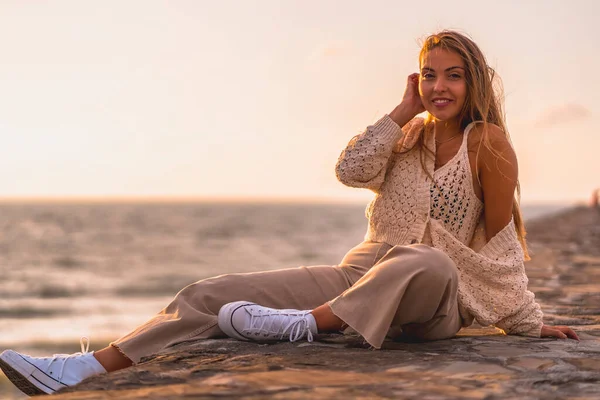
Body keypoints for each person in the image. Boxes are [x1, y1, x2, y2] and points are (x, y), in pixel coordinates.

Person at [0, 30, 579, 397]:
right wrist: (399, 112)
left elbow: (500, 244)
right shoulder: (403, 135)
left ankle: (309, 326)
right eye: (428, 74)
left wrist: (524, 320)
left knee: (424, 260)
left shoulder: (489, 143)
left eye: (452, 74)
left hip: (430, 299)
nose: (438, 86)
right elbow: (350, 170)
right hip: (357, 277)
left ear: (471, 80)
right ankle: (81, 370)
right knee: (210, 292)